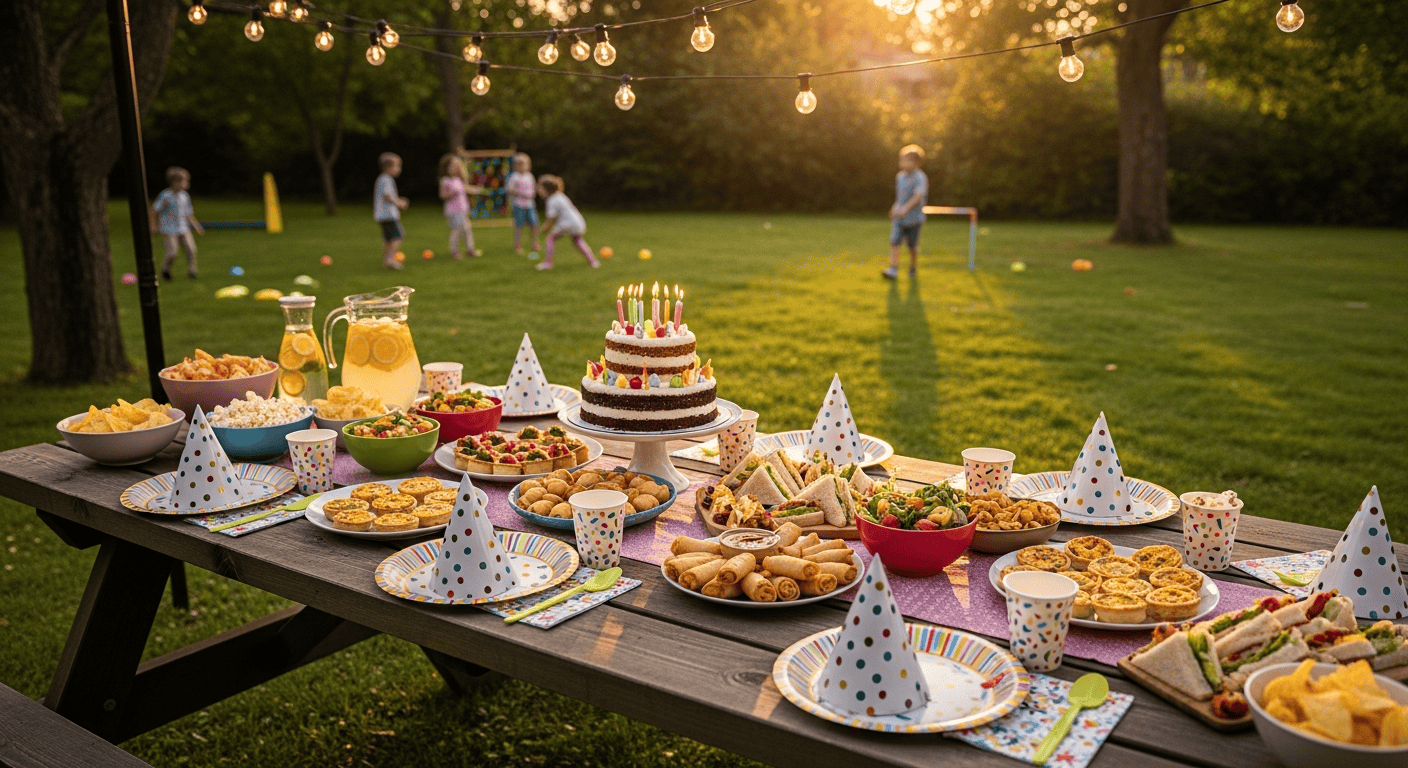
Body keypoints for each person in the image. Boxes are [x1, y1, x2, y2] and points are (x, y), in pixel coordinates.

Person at [883, 144, 928, 280]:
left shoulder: (920, 177)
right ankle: (893, 269)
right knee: (895, 242)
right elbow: (900, 198)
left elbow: (918, 196)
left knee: (912, 246)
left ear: (914, 162)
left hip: (914, 219)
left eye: (904, 160)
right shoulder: (900, 177)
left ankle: (912, 268)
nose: (900, 162)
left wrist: (905, 209)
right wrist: (894, 208)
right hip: (899, 218)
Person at [535, 175, 599, 271]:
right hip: (578, 222)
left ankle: (548, 263)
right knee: (577, 240)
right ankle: (593, 262)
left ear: (546, 189)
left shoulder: (551, 200)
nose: (538, 191)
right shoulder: (560, 195)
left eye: (540, 188)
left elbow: (550, 220)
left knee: (550, 238)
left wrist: (542, 229)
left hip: (567, 224)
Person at [151, 166, 204, 281]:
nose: (186, 183)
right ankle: (166, 269)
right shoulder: (165, 196)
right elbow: (154, 210)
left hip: (183, 228)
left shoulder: (184, 196)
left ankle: (192, 271)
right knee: (172, 253)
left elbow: (188, 214)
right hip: (169, 229)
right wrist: (154, 225)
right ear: (175, 182)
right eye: (185, 181)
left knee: (191, 249)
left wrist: (196, 226)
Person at [439, 153, 483, 259]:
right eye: (451, 166)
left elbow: (466, 188)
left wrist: (479, 190)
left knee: (467, 230)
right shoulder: (445, 180)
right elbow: (442, 195)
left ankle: (470, 250)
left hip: (462, 209)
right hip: (453, 211)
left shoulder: (458, 180)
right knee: (457, 230)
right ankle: (454, 251)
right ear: (446, 167)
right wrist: (451, 193)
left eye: (456, 166)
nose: (454, 168)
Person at [374, 152, 410, 270]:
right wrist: (399, 203)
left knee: (389, 239)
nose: (399, 169)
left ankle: (387, 261)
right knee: (397, 236)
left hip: (383, 215)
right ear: (388, 167)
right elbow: (387, 196)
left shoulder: (383, 179)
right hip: (388, 215)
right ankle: (390, 260)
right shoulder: (386, 179)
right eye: (397, 166)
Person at [506, 153, 541, 255]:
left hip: (530, 205)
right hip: (518, 205)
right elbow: (509, 189)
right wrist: (520, 193)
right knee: (519, 225)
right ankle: (517, 245)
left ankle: (534, 243)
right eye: (518, 164)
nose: (520, 166)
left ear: (528, 165)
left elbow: (534, 189)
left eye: (522, 164)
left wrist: (532, 194)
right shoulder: (514, 176)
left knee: (534, 224)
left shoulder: (530, 176)